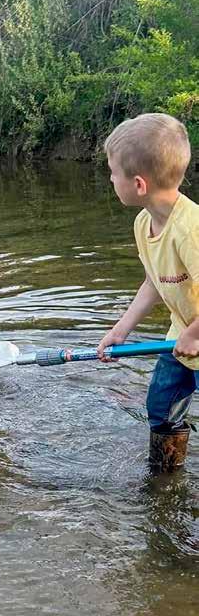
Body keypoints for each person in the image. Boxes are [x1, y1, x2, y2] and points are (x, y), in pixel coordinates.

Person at [98, 113, 199, 470]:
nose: (110, 178)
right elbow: (153, 282)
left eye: (113, 172)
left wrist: (194, 333)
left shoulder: (190, 230)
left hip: (192, 335)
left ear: (139, 184)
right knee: (161, 406)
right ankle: (166, 476)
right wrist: (121, 330)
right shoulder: (144, 223)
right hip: (180, 340)